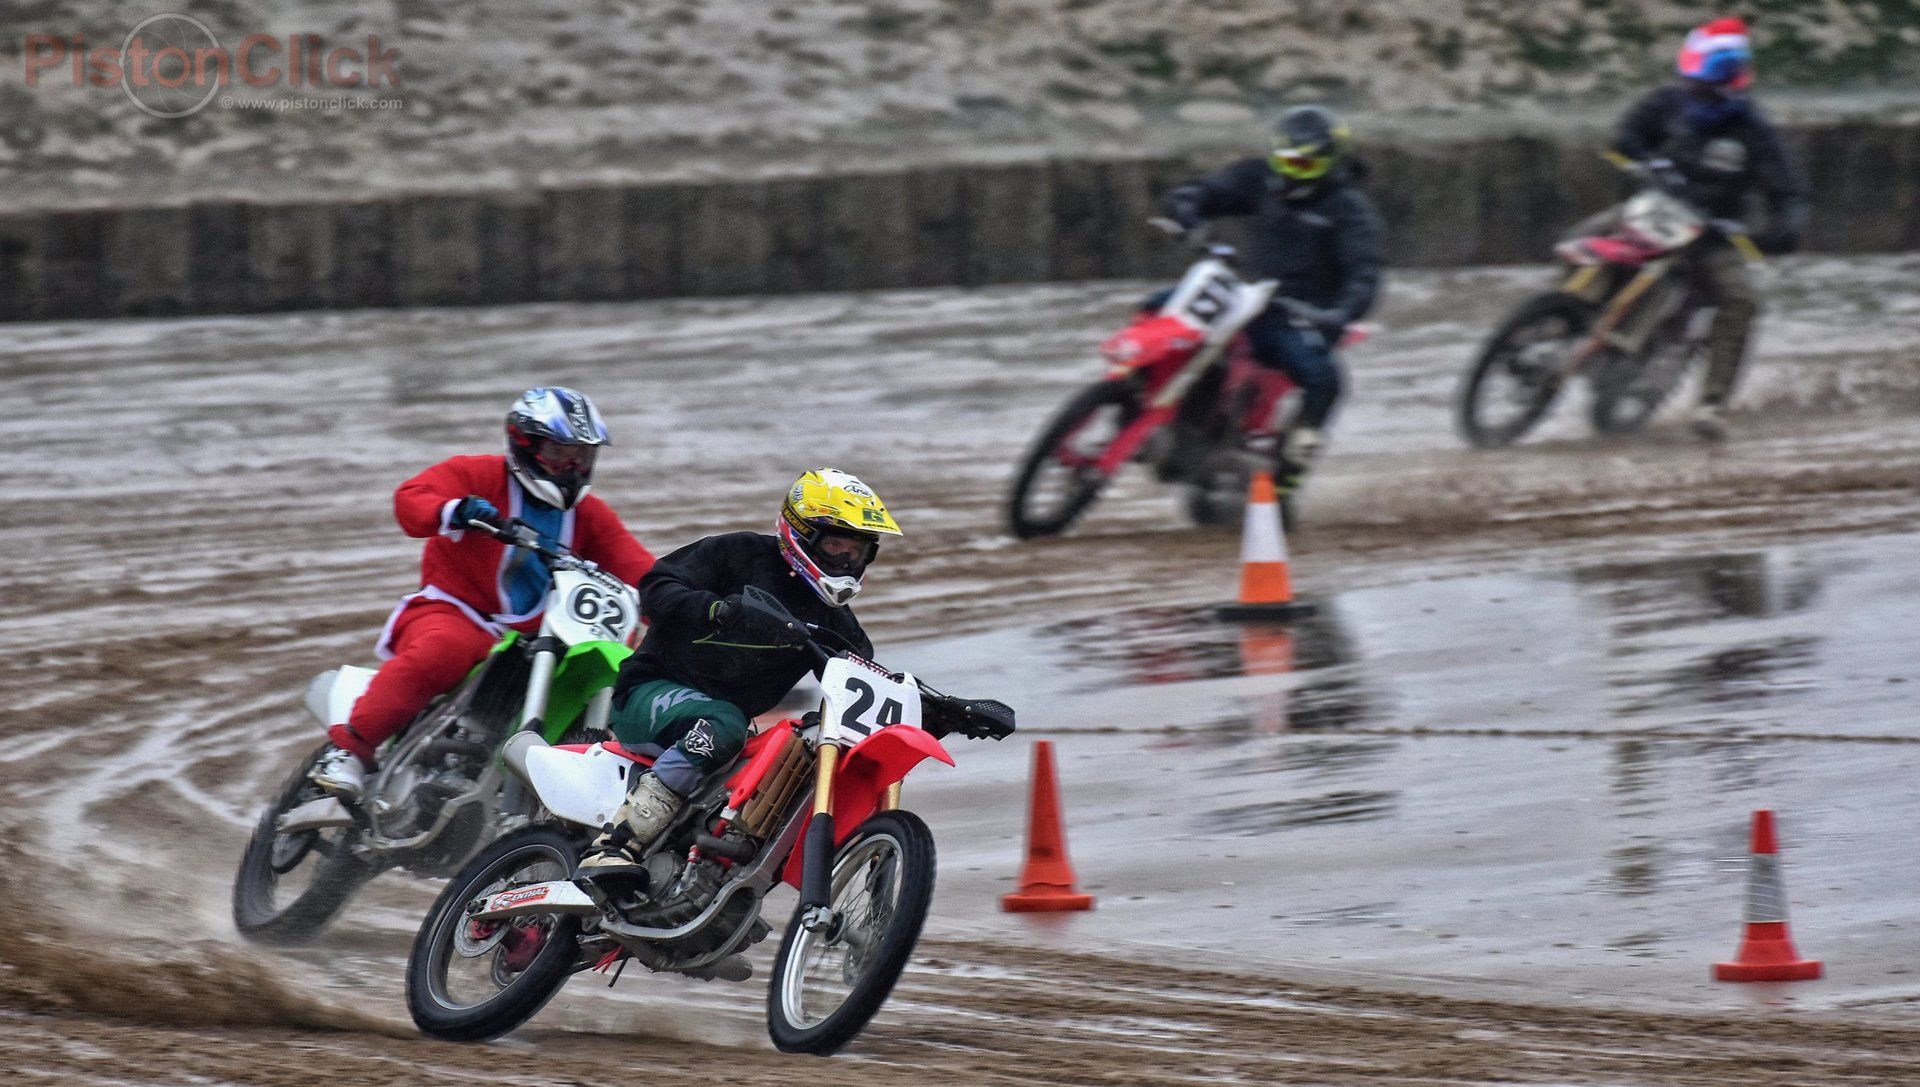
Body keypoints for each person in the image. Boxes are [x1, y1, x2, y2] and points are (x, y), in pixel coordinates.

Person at [309, 387, 655, 803]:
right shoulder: (476, 475)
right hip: (457, 610)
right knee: (443, 649)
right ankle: (347, 751)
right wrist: (455, 510)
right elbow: (412, 499)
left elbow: (641, 568)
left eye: (582, 456)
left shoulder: (589, 515)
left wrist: (687, 599)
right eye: (559, 452)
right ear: (523, 444)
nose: (571, 467)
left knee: (601, 674)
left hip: (541, 637)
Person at [575, 468, 900, 880]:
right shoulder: (737, 553)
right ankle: (615, 844)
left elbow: (867, 680)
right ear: (802, 533)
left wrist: (943, 710)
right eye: (836, 545)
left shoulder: (834, 618)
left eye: (857, 552)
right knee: (723, 723)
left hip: (724, 721)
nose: (846, 561)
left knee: (796, 754)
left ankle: (712, 879)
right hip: (649, 691)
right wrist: (719, 610)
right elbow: (655, 585)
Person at [1158, 104, 1385, 486]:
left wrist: (1341, 313)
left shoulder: (1350, 212)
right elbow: (1209, 191)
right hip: (1249, 297)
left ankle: (1287, 478)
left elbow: (1365, 274)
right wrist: (1187, 208)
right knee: (1158, 305)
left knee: (1326, 379)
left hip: (1304, 315)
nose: (1292, 176)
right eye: (1285, 164)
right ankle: (1133, 397)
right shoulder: (1260, 179)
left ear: (1331, 163)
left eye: (1305, 167)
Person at [1604, 17, 1809, 440]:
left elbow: (1788, 193)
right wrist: (1645, 160)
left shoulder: (1755, 132)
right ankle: (1554, 319)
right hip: (1654, 212)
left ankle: (1711, 404)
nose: (1698, 80)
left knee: (1742, 300)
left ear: (1733, 74)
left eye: (1712, 70)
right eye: (1696, 67)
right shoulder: (1667, 102)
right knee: (1580, 243)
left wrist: (1780, 233)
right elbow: (1624, 136)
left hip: (1711, 236)